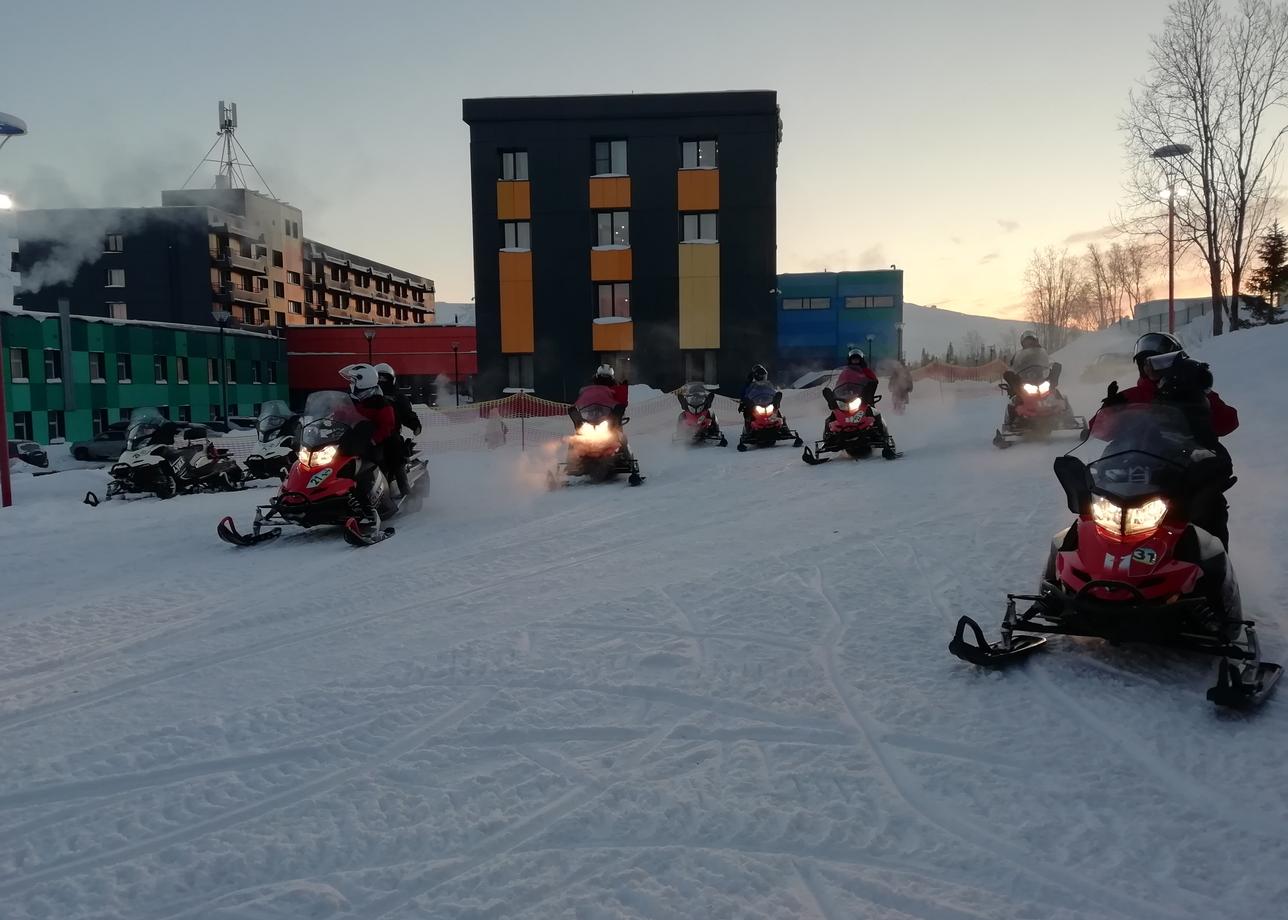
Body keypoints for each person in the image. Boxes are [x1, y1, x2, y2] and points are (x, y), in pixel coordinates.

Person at [1090, 332, 1239, 547]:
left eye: (1159, 362)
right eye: (1146, 364)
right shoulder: (1131, 395)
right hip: (1136, 472)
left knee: (1211, 511)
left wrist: (1205, 396)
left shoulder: (1195, 391)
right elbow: (1098, 430)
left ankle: (1214, 566)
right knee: (1095, 512)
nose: (1152, 370)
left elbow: (1228, 422)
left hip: (1186, 472)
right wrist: (1110, 409)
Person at [339, 363, 396, 502]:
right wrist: (326, 423)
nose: (351, 384)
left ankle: (384, 493)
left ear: (363, 381)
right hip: (353, 440)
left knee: (376, 460)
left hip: (373, 442)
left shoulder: (380, 402)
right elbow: (340, 414)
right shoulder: (352, 399)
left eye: (353, 381)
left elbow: (387, 425)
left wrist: (373, 440)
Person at [374, 363, 421, 497]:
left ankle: (405, 491)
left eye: (384, 378)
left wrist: (415, 424)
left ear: (391, 379)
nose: (382, 381)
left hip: (390, 435)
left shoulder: (398, 397)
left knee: (396, 457)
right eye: (379, 378)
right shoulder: (368, 395)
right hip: (368, 434)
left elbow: (407, 413)